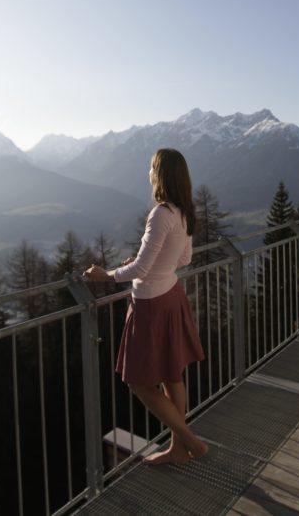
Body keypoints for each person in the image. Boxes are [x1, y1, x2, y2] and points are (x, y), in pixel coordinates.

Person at [83, 147, 207, 465]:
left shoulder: (161, 214)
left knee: (138, 382)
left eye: (152, 168)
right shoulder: (183, 212)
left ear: (160, 175)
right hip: (171, 296)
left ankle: (190, 442)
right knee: (171, 376)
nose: (149, 174)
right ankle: (178, 449)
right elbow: (184, 259)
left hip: (151, 305)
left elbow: (138, 269)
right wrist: (152, 267)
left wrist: (104, 275)